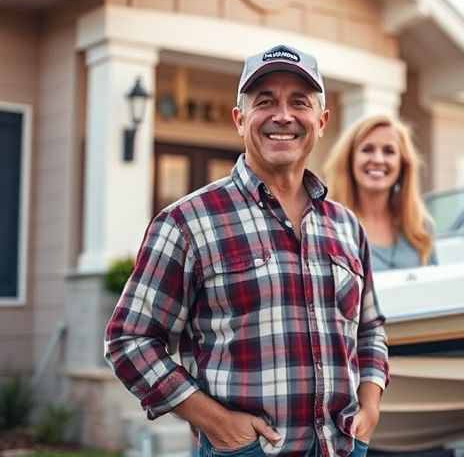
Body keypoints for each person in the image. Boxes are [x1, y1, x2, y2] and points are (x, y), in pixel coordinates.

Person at [104, 44, 388, 457]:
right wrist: (216, 423)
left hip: (342, 447)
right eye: (265, 102)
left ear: (321, 121)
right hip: (245, 451)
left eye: (299, 103)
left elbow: (371, 327)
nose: (283, 116)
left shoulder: (346, 225)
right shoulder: (187, 222)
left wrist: (370, 406)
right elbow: (129, 339)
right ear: (240, 119)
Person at [324, 115, 437, 271]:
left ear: (403, 164)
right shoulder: (327, 225)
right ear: (349, 160)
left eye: (389, 151)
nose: (378, 159)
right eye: (367, 149)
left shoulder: (421, 227)